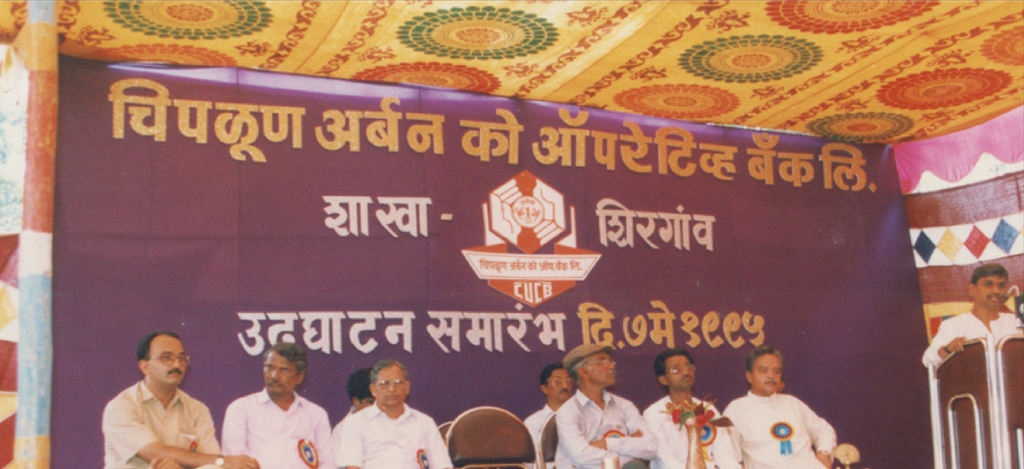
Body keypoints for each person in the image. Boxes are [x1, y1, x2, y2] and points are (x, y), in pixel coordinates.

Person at [102, 331, 258, 469]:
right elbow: (155, 454)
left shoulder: (197, 409)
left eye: (181, 358)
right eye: (166, 358)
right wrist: (224, 461)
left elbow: (211, 460)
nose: (177, 364)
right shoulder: (121, 406)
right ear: (144, 367)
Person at [221, 342, 336, 469]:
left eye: (284, 370)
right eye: (270, 367)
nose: (274, 376)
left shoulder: (316, 414)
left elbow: (327, 463)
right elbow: (234, 461)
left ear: (299, 377)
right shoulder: (240, 408)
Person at [723, 346, 835, 469]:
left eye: (776, 371)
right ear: (749, 376)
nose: (771, 376)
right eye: (764, 370)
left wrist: (824, 454)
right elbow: (727, 456)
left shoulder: (793, 403)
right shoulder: (736, 409)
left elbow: (824, 430)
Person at [333, 359, 452, 469]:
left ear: (407, 387)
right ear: (373, 389)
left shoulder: (424, 422)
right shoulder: (356, 422)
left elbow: (441, 465)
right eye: (384, 383)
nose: (392, 389)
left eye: (398, 383)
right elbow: (353, 466)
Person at [555, 344, 656, 469]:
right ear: (584, 372)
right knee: (634, 465)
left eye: (611, 361)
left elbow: (651, 447)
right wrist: (630, 453)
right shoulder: (568, 411)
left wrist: (606, 443)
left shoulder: (624, 405)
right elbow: (581, 456)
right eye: (602, 361)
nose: (611, 366)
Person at [642, 348, 740, 469]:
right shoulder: (654, 414)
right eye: (676, 369)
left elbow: (726, 455)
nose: (685, 372)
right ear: (663, 379)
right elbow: (665, 462)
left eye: (688, 367)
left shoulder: (707, 409)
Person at [922, 263, 1020, 367]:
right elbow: (928, 360)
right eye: (988, 284)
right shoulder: (953, 325)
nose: (996, 290)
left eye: (1001, 285)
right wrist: (948, 349)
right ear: (972, 289)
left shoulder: (1016, 322)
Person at [523, 363, 574, 448]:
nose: (565, 386)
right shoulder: (534, 422)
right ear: (544, 389)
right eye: (557, 382)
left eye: (568, 381)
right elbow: (534, 455)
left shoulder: (584, 416)